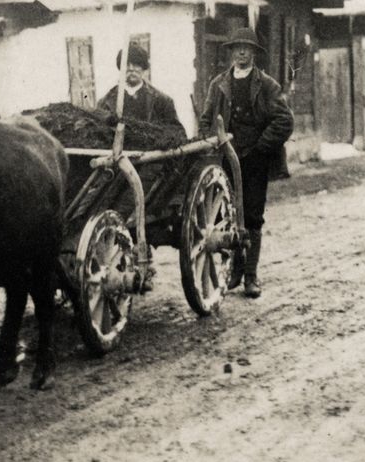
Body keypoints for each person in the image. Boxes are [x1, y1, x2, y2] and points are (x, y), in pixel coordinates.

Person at [198, 27, 294, 298]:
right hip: (225, 161)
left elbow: (285, 120)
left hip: (255, 161)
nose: (241, 52)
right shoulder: (218, 84)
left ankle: (251, 276)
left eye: (247, 48)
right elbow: (206, 120)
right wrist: (213, 141)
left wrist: (262, 147)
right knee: (226, 216)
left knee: (252, 216)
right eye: (237, 47)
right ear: (231, 52)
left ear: (254, 53)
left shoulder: (267, 85)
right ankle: (236, 271)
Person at [97, 45, 183, 131]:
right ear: (120, 68)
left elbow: (177, 133)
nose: (131, 69)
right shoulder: (106, 103)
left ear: (143, 68)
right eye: (127, 65)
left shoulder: (162, 101)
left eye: (136, 64)